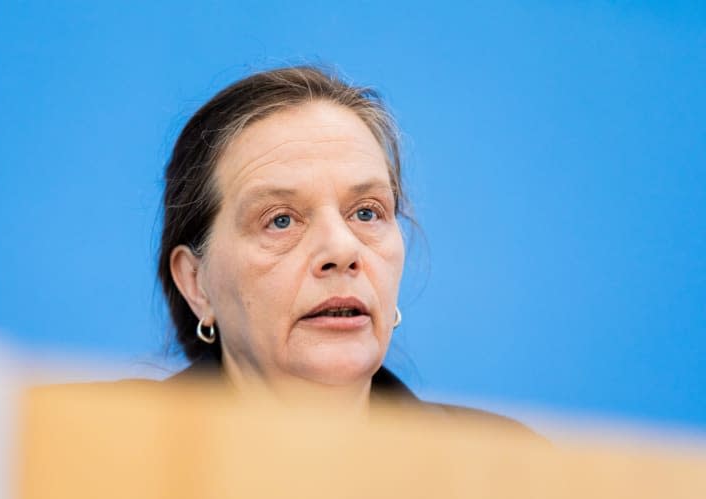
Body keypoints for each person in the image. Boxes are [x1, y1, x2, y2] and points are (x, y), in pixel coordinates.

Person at [157, 65, 533, 431]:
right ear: (196, 282)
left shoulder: (510, 470)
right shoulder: (107, 453)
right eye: (280, 220)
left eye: (367, 213)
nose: (342, 249)